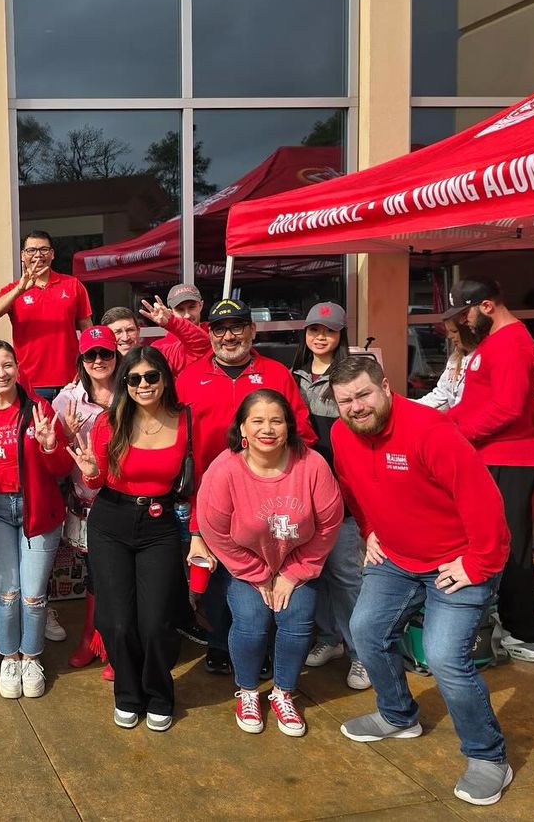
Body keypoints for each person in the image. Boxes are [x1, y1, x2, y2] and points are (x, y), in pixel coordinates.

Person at [327, 355, 514, 807]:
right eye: (345, 400)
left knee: (447, 658)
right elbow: (353, 487)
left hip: (458, 561)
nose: (355, 407)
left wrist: (478, 563)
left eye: (363, 395)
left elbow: (484, 501)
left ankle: (489, 757)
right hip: (396, 558)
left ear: (386, 387)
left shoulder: (429, 430)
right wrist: (369, 528)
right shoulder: (341, 434)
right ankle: (397, 715)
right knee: (366, 631)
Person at [178, 298, 317, 675]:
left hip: (269, 494)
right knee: (219, 577)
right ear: (209, 334)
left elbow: (302, 432)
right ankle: (221, 643)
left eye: (237, 326)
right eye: (220, 329)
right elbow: (174, 436)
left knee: (266, 572)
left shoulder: (276, 374)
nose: (229, 335)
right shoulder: (190, 377)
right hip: (208, 496)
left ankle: (264, 648)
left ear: (252, 331)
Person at [196, 390, 343, 738]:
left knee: (297, 620)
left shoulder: (312, 465)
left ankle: (283, 693)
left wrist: (293, 574)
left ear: (289, 427)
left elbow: (328, 525)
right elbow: (214, 531)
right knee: (251, 622)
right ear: (242, 428)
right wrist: (257, 574)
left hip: (297, 559)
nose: (268, 429)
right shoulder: (225, 469)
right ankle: (247, 692)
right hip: (246, 562)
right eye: (258, 421)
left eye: (276, 420)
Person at [65, 346, 188, 732]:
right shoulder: (109, 422)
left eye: (151, 376)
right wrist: (88, 472)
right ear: (125, 384)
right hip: (111, 521)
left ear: (164, 378)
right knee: (116, 621)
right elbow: (98, 480)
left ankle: (159, 693)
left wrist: (198, 533)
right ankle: (128, 693)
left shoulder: (185, 420)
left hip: (160, 522)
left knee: (155, 622)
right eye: (134, 379)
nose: (143, 384)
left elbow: (198, 482)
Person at [442, 279, 534, 663]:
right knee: (495, 540)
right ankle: (508, 620)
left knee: (509, 545)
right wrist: (445, 423)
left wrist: (457, 433)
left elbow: (507, 409)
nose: (463, 323)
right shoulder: (497, 341)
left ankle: (522, 635)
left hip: (509, 456)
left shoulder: (511, 342)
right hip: (495, 455)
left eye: (464, 313)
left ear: (486, 305)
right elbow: (481, 402)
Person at [0, 341, 71, 699]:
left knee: (34, 596)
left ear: (17, 367)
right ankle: (8, 656)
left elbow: (61, 469)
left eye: (6, 365)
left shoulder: (38, 408)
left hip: (36, 509)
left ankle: (30, 656)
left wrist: (50, 445)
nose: (1, 374)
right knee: (7, 594)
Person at [289, 303, 369, 691]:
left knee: (345, 575)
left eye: (330, 331)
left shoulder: (353, 375)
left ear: (342, 334)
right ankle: (330, 639)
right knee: (313, 573)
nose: (321, 337)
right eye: (314, 330)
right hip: (303, 489)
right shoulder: (293, 375)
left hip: (343, 490)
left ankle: (362, 655)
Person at [53, 325, 119, 678]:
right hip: (89, 499)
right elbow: (58, 460)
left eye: (105, 353)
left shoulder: (133, 390)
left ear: (116, 355)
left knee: (119, 575)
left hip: (127, 498)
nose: (98, 360)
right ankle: (91, 637)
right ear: (81, 359)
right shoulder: (66, 400)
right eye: (90, 354)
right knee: (96, 573)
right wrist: (61, 434)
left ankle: (113, 641)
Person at [0, 231, 93, 400]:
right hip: (29, 382)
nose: (38, 255)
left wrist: (86, 371)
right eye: (31, 250)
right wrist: (20, 290)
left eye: (44, 249)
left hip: (70, 381)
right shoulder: (14, 289)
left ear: (52, 254)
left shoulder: (72, 285)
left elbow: (88, 332)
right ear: (22, 255)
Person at [142, 284, 211, 375]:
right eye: (180, 309)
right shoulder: (160, 347)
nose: (187, 315)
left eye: (191, 307)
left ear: (201, 305)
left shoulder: (217, 333)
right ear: (170, 312)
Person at [416, 315, 479, 411]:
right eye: (449, 332)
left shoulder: (481, 357)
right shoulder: (454, 358)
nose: (450, 336)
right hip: (454, 422)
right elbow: (441, 395)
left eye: (454, 331)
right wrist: (407, 405)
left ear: (468, 331)